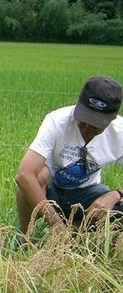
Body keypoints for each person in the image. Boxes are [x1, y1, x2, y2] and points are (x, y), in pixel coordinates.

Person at [15, 75, 123, 234]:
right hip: (52, 191)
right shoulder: (57, 121)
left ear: (112, 118)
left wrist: (115, 194)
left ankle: (72, 235)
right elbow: (24, 175)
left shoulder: (120, 133)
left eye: (95, 124)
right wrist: (55, 222)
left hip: (88, 194)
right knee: (35, 179)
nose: (86, 126)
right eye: (84, 118)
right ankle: (25, 237)